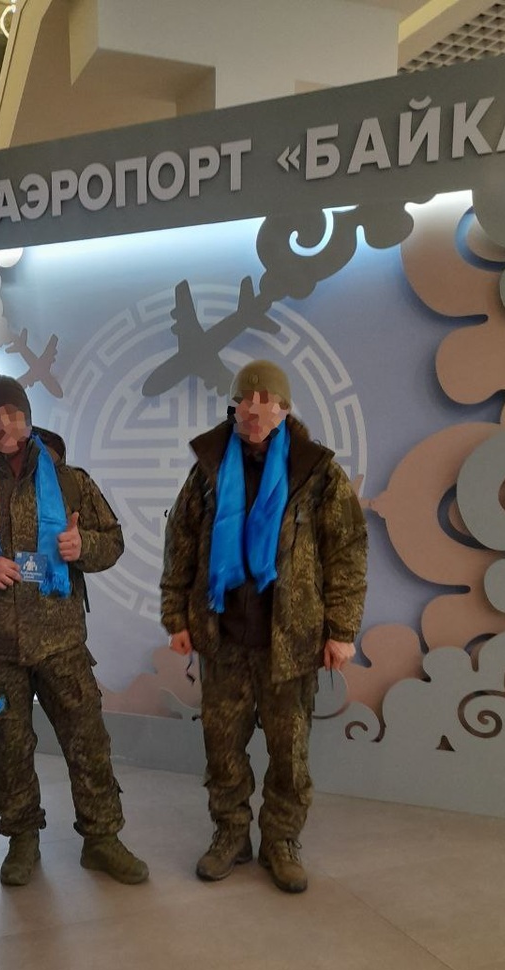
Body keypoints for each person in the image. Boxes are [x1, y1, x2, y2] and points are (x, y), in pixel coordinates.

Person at [0, 374, 148, 887]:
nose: (4, 423)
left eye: (14, 413)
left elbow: (113, 540)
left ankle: (102, 838)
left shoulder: (69, 481)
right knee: (8, 748)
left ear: (28, 418)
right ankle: (22, 839)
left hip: (62, 641)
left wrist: (82, 547)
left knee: (87, 741)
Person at [160, 359, 367, 892]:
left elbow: (346, 552)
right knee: (222, 750)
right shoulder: (208, 469)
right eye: (244, 401)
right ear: (234, 407)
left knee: (289, 755)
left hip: (290, 641)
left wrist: (342, 631)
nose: (253, 410)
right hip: (223, 638)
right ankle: (231, 834)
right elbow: (180, 543)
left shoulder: (316, 472)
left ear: (284, 408)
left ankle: (281, 840)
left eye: (265, 400)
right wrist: (175, 616)